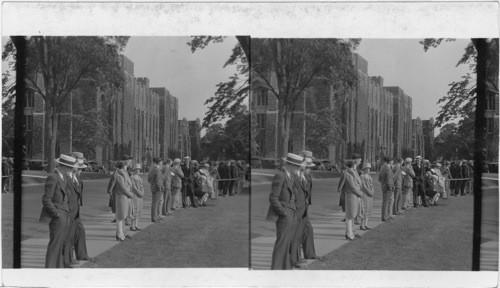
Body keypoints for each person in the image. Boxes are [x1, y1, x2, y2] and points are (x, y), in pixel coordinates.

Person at [39, 154, 78, 268]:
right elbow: (46, 199)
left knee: (61, 243)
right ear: (65, 167)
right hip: (58, 216)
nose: (72, 171)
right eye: (71, 168)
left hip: (65, 215)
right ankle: (50, 268)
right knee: (55, 243)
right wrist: (56, 213)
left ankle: (59, 266)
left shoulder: (63, 177)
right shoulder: (53, 177)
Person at [267, 153, 304, 270]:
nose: (299, 169)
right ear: (291, 165)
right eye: (298, 167)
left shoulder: (290, 176)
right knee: (282, 243)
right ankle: (276, 270)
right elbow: (273, 197)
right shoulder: (280, 176)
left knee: (288, 244)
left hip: (292, 214)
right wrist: (283, 212)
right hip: (285, 215)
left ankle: (285, 268)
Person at [64, 152, 93, 266]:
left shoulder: (76, 176)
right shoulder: (67, 176)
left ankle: (82, 255)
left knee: (80, 231)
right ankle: (67, 260)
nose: (79, 167)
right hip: (69, 210)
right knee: (69, 234)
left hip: (76, 210)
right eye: (78, 165)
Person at [299, 151, 323, 262]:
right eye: (309, 158)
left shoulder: (306, 174)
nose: (311, 161)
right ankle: (297, 256)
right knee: (299, 230)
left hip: (305, 205)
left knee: (308, 229)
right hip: (299, 207)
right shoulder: (299, 173)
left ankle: (310, 254)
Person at [109, 160, 134, 241]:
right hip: (121, 197)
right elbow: (123, 188)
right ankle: (119, 235)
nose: (126, 167)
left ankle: (121, 234)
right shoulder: (119, 175)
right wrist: (131, 194)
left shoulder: (123, 173)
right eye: (126, 166)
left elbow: (128, 184)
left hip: (124, 197)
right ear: (123, 166)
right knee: (120, 217)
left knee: (122, 216)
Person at [342, 159, 363, 240]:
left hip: (354, 195)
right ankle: (349, 234)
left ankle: (350, 233)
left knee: (352, 215)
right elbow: (352, 187)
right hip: (351, 196)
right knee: (349, 216)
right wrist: (360, 193)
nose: (356, 165)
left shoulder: (353, 172)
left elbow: (358, 183)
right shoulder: (348, 174)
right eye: (355, 164)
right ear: (352, 165)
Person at [379, 156, 395, 222]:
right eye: (392, 160)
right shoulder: (388, 169)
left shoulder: (383, 168)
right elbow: (389, 180)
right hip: (388, 188)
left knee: (386, 202)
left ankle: (386, 216)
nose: (393, 162)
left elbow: (379, 178)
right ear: (390, 161)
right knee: (386, 203)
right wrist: (390, 186)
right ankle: (384, 217)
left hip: (385, 187)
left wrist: (383, 184)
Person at [148, 157, 165, 222]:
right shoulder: (157, 170)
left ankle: (155, 217)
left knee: (155, 203)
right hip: (157, 188)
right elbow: (158, 180)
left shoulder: (152, 169)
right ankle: (154, 218)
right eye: (161, 162)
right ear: (160, 162)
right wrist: (160, 187)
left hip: (154, 187)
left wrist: (152, 185)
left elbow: (149, 179)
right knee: (155, 203)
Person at [359, 162, 374, 230]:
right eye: (367, 168)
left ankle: (366, 224)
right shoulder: (362, 176)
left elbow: (372, 185)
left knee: (368, 210)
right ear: (364, 168)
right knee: (364, 209)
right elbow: (363, 186)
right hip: (364, 194)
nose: (368, 169)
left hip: (370, 195)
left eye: (369, 168)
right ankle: (362, 225)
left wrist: (372, 192)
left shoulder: (370, 176)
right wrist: (369, 192)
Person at [130, 164, 144, 231]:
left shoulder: (139, 177)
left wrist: (142, 193)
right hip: (135, 195)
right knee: (134, 210)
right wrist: (140, 193)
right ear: (134, 169)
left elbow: (141, 186)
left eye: (139, 169)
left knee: (139, 209)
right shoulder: (132, 177)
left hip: (140, 196)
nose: (138, 170)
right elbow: (133, 187)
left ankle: (136, 225)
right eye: (137, 169)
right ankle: (132, 225)